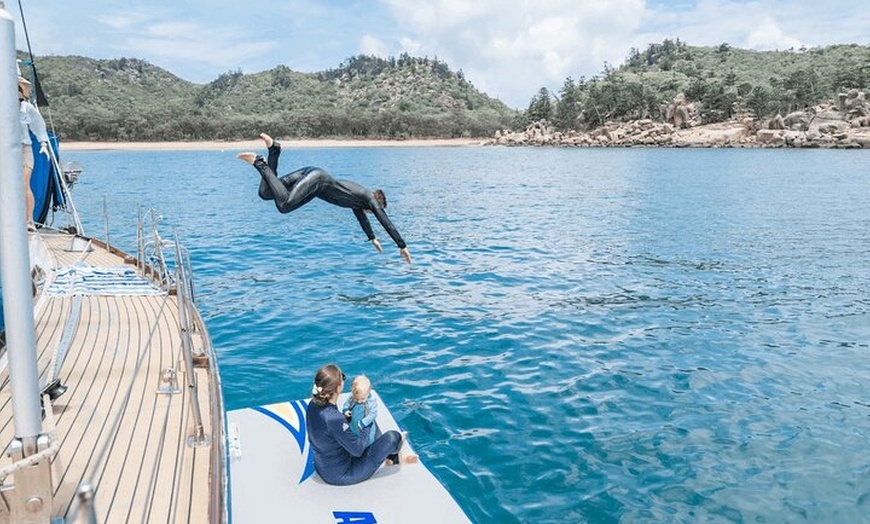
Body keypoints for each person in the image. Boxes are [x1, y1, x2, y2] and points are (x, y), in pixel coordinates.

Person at [237, 134, 412, 263]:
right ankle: (260, 162)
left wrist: (372, 238)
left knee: (266, 193)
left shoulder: (358, 202)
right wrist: (402, 245)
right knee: (284, 205)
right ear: (376, 204)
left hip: (312, 176)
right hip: (317, 180)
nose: (371, 212)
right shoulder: (369, 198)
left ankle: (274, 150)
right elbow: (386, 222)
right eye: (375, 211)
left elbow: (362, 219)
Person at [306, 364, 417, 486]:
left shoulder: (313, 405)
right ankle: (394, 457)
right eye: (342, 377)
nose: (344, 379)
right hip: (343, 474)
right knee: (393, 437)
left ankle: (391, 456)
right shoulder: (334, 418)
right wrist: (366, 424)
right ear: (338, 387)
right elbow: (358, 451)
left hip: (321, 465)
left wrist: (345, 420)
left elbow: (326, 430)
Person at [18, 75, 49, 231]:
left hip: (24, 150)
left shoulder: (27, 108)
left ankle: (29, 221)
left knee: (24, 184)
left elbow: (38, 126)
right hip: (5, 151)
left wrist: (43, 143)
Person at [341, 375, 378, 446]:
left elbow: (373, 414)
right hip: (353, 424)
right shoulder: (352, 397)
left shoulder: (371, 402)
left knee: (368, 441)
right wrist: (345, 410)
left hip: (365, 426)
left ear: (368, 392)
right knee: (354, 436)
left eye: (363, 399)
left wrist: (363, 423)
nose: (360, 401)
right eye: (357, 399)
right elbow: (347, 404)